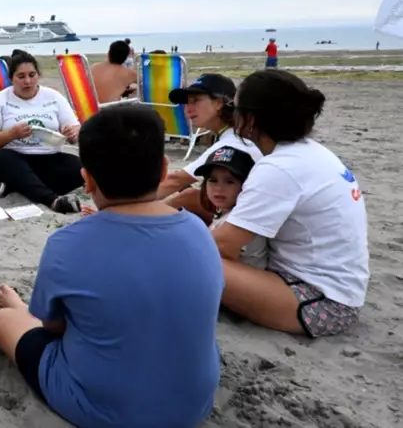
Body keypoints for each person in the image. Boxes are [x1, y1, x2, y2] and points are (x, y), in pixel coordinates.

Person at [0, 103, 223, 427]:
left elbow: (53, 327)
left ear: (87, 180)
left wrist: (20, 309)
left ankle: (17, 309)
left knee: (1, 320)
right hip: (193, 405)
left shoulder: (67, 244)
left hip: (104, 410)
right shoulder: (199, 230)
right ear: (164, 169)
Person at [213, 70, 369, 337]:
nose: (230, 115)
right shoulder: (309, 152)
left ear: (251, 119)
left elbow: (222, 246)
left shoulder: (281, 167)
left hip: (322, 301)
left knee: (194, 261)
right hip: (339, 289)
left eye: (233, 109)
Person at [0, 51, 82, 213]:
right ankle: (52, 201)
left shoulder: (54, 97)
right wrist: (11, 134)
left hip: (48, 157)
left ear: (38, 75)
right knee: (7, 161)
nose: (27, 81)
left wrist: (72, 133)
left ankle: (15, 187)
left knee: (80, 169)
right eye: (21, 76)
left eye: (32, 75)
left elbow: (75, 133)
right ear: (11, 78)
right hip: (12, 158)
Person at [155, 73, 264, 222]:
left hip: (248, 213)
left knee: (189, 197)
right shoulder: (233, 133)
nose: (188, 109)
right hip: (249, 206)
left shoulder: (231, 142)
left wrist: (134, 204)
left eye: (196, 101)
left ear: (219, 103)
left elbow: (175, 181)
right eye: (186, 103)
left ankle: (142, 221)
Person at [195, 146, 267, 269]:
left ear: (246, 186)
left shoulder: (240, 221)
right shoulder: (225, 213)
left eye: (230, 182)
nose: (219, 188)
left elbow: (219, 259)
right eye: (213, 180)